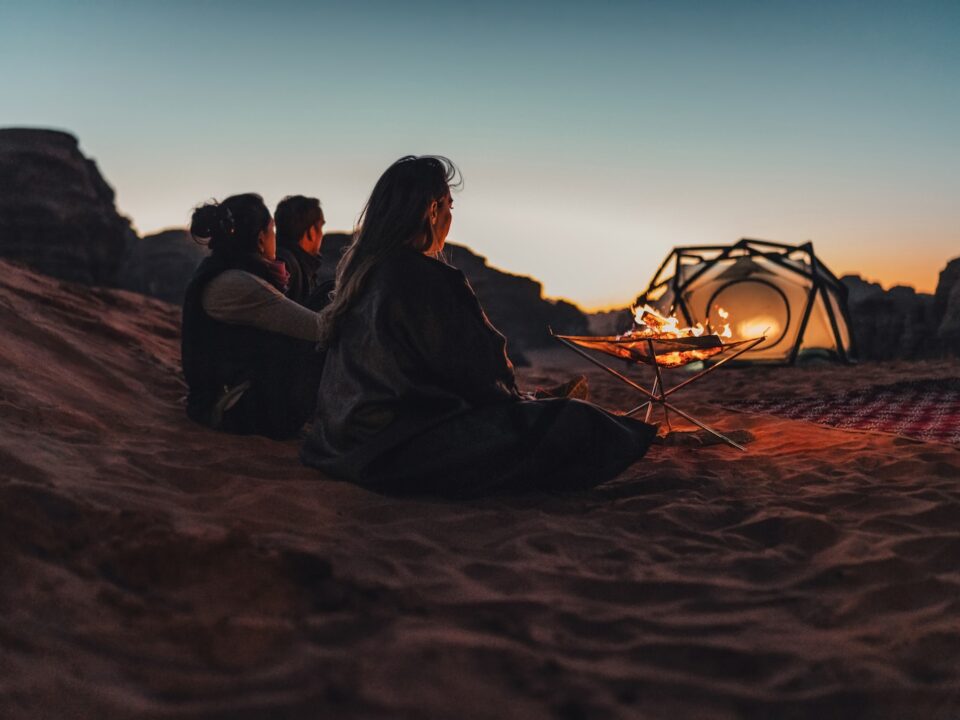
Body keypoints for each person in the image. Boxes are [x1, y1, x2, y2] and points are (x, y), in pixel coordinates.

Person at [300, 156, 656, 497]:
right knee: (576, 421)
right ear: (432, 210)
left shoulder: (362, 274)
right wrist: (516, 400)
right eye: (450, 206)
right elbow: (479, 372)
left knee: (542, 411)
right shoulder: (426, 277)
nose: (450, 217)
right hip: (397, 450)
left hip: (342, 442)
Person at [181, 193, 323, 439]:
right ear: (260, 240)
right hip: (235, 410)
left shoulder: (227, 272)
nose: (275, 240)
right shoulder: (240, 284)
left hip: (228, 400)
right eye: (272, 231)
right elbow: (319, 328)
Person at [274, 195, 332, 310]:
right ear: (311, 232)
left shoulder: (285, 260)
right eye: (320, 227)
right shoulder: (286, 265)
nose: (321, 235)